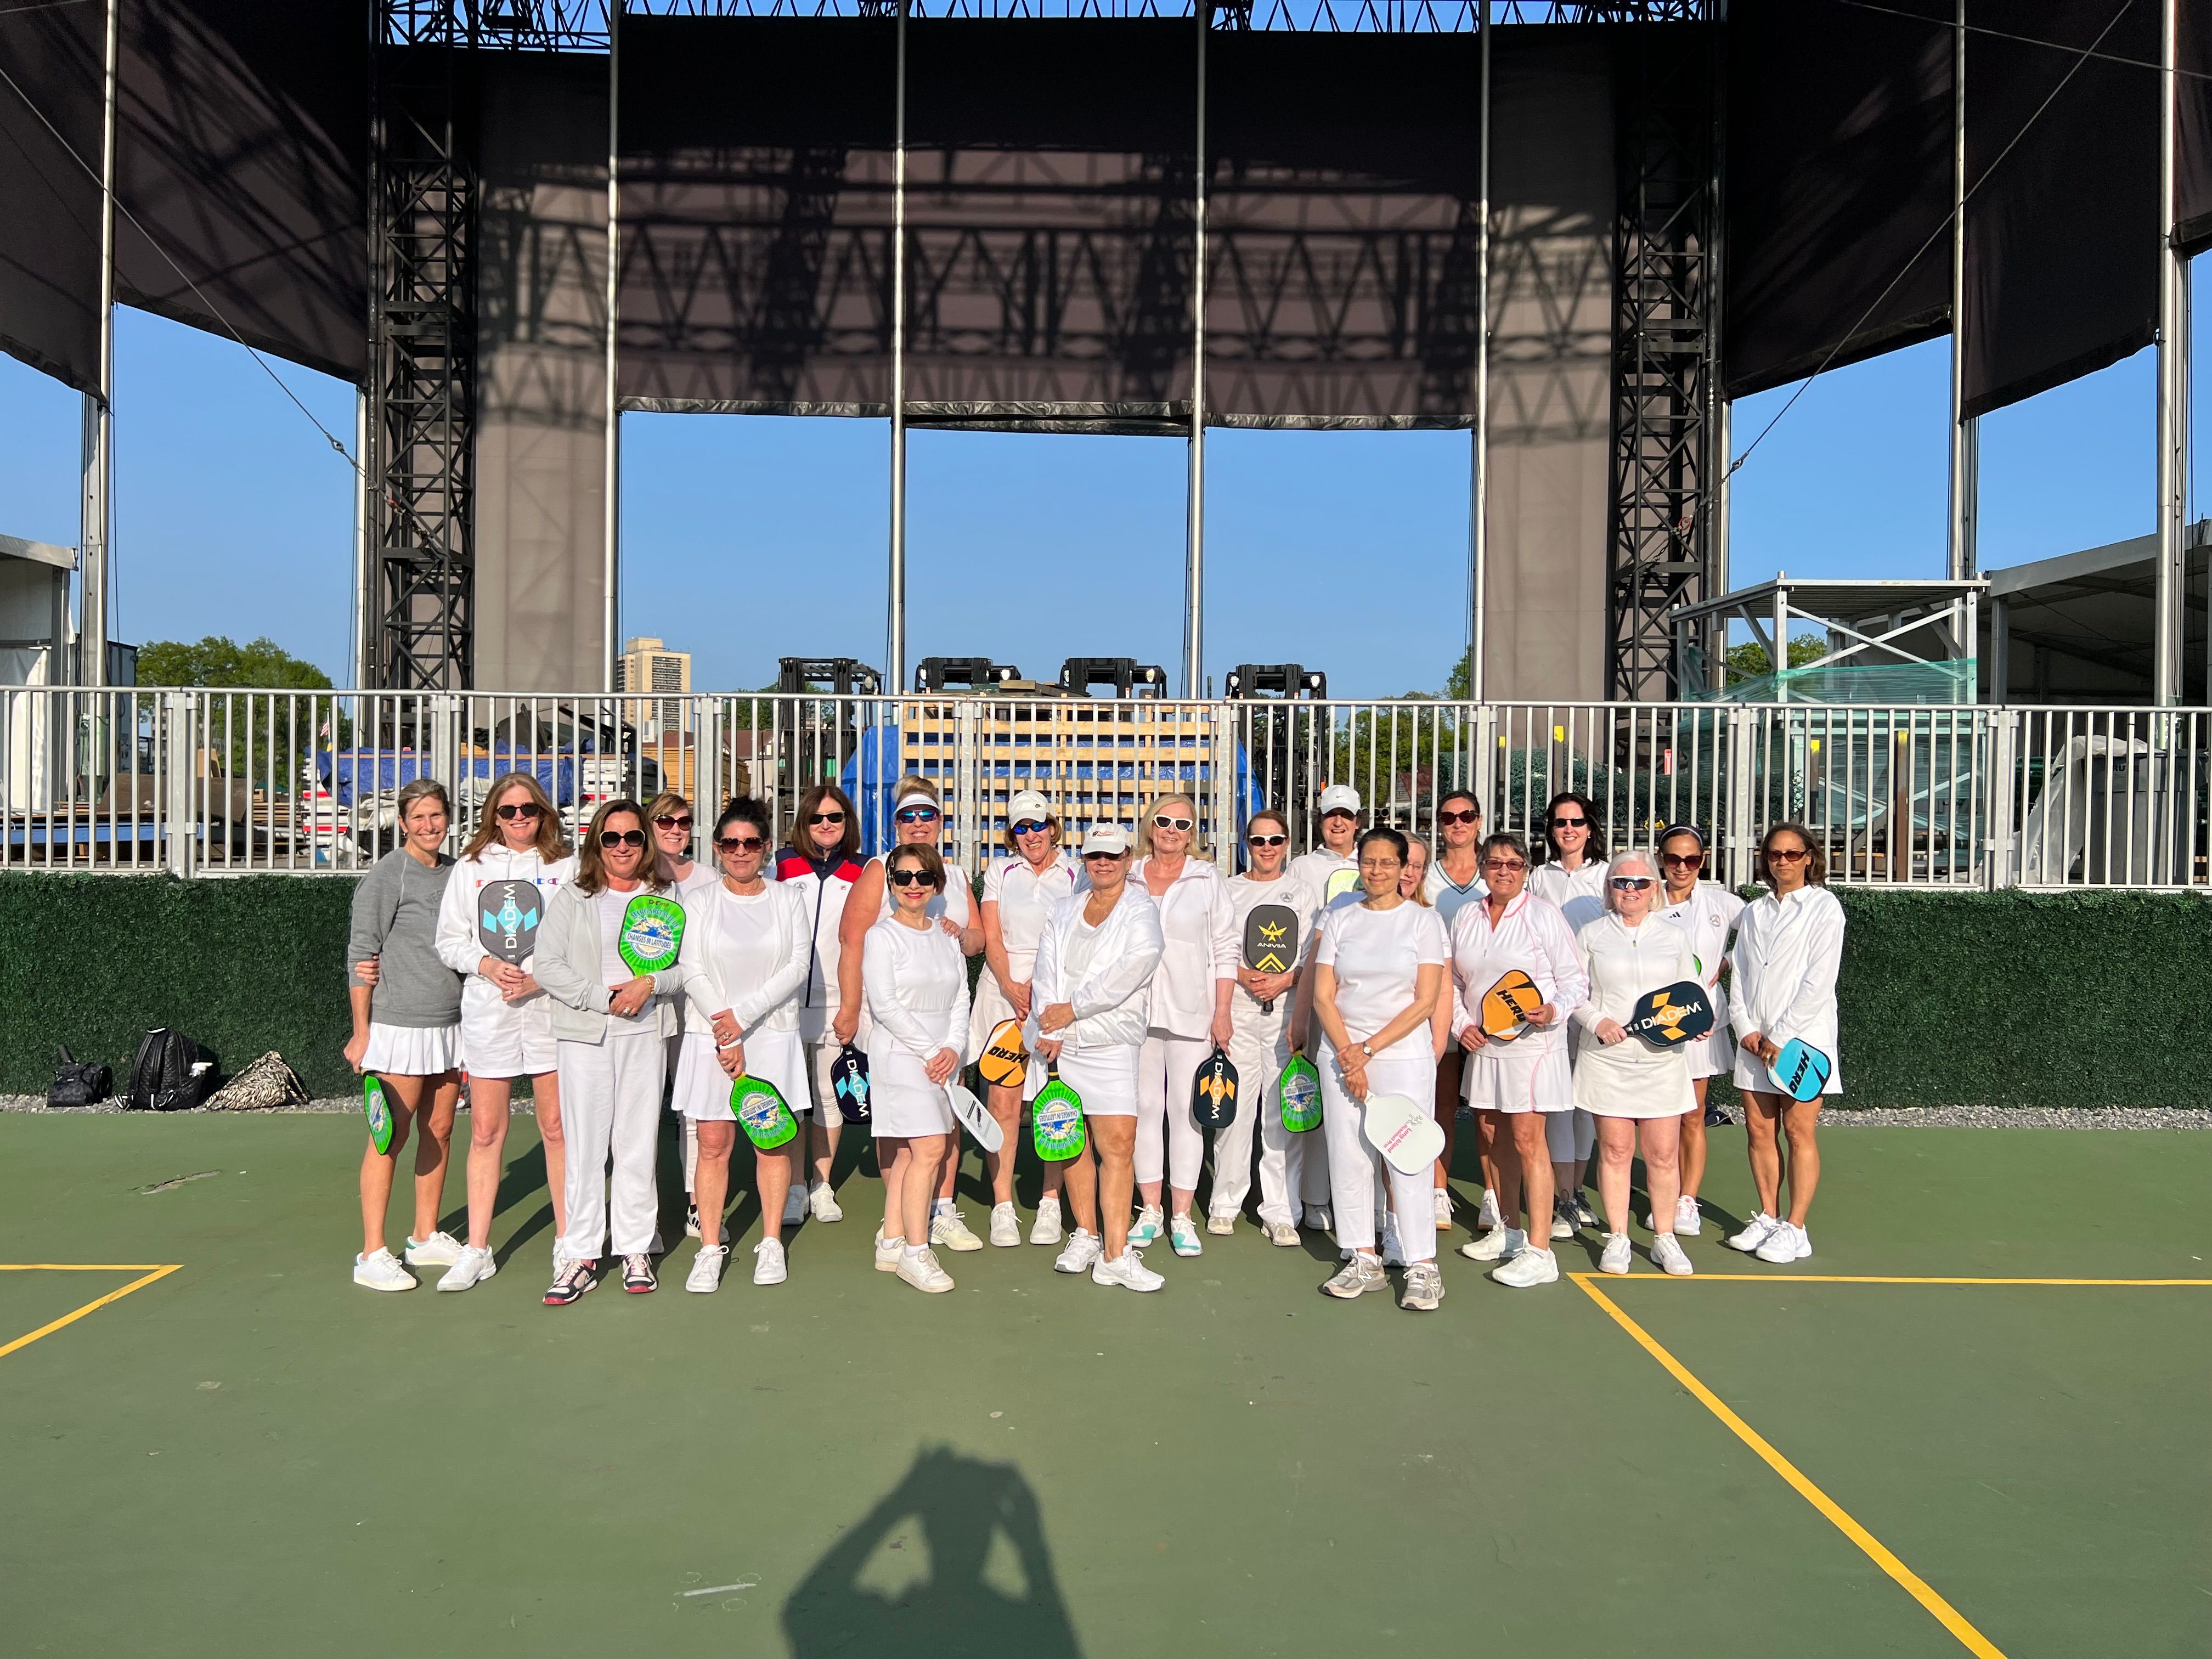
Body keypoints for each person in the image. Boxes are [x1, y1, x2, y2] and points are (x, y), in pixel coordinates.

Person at [533, 799, 685, 1304]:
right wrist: (604, 999)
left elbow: (689, 966)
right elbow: (547, 965)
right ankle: (579, 1254)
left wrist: (651, 984)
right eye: (611, 838)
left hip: (644, 1034)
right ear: (597, 843)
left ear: (645, 842)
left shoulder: (666, 896)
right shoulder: (574, 897)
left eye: (633, 838)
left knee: (638, 1144)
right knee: (584, 1148)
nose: (622, 847)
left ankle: (635, 1248)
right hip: (585, 1036)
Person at [430, 769, 575, 1291]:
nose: (519, 819)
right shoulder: (471, 868)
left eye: (529, 810)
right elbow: (450, 940)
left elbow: (581, 940)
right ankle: (477, 1249)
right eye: (509, 811)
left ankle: (569, 1243)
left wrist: (539, 978)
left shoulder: (568, 864)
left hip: (549, 1012)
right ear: (494, 815)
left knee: (557, 1128)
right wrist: (487, 967)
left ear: (543, 813)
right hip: (489, 1012)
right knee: (488, 1132)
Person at [837, 776, 985, 1252]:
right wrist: (850, 1006)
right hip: (898, 1027)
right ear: (896, 824)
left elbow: (975, 944)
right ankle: (901, 1225)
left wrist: (956, 935)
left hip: (943, 1021)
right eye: (908, 816)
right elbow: (853, 939)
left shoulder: (957, 875)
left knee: (942, 1124)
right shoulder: (881, 869)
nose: (918, 824)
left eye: (927, 815)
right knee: (905, 1134)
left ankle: (937, 1210)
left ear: (941, 821)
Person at [673, 797, 812, 1293]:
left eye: (751, 843)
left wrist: (741, 1020)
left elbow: (796, 967)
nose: (741, 851)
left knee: (771, 1141)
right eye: (730, 843)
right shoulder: (699, 903)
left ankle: (771, 1242)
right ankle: (710, 1248)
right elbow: (691, 969)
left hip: (770, 1035)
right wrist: (723, 1027)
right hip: (709, 1034)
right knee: (712, 1144)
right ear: (716, 848)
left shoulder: (787, 898)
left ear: (767, 848)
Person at [1309, 827, 1451, 1311]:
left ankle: (1422, 1266)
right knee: (1349, 1157)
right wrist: (1348, 1052)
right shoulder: (1341, 917)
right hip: (1341, 1054)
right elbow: (1323, 996)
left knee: (1407, 1158)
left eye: (1388, 863)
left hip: (1400, 1057)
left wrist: (1367, 1051)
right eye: (1368, 862)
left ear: (1404, 867)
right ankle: (1363, 1258)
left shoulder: (1424, 923)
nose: (1377, 871)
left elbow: (1425, 1001)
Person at [1027, 824, 1167, 1291]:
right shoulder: (1063, 908)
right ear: (1083, 860)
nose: (1103, 863)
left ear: (1128, 859)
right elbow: (1045, 970)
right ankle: (1085, 1233)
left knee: (1118, 1145)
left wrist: (1073, 1009)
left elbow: (1137, 965)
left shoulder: (1140, 908)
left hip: (1111, 1041)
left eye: (1112, 855)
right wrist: (1055, 1025)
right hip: (1062, 1042)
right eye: (1094, 856)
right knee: (1073, 1141)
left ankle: (1115, 1252)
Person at [1445, 832, 1585, 1289]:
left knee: (1528, 1140)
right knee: (1490, 1132)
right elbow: (1452, 982)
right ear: (1482, 867)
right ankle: (1510, 1231)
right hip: (1484, 1043)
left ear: (1526, 870)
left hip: (1533, 1045)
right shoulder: (1466, 915)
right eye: (1495, 863)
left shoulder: (1544, 916)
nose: (1504, 871)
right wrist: (1461, 1024)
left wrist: (1552, 1010)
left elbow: (1574, 983)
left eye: (1514, 864)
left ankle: (1541, 1253)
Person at [343, 778, 463, 1291]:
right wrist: (360, 1032)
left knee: (439, 1131)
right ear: (402, 821)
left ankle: (424, 1235)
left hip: (452, 1025)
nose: (428, 826)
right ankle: (371, 1253)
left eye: (436, 815)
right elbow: (360, 954)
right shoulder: (389, 874)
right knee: (389, 1137)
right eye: (418, 817)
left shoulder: (459, 874)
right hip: (399, 1027)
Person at [1724, 822, 1845, 1265]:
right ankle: (1770, 1219)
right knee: (1759, 1131)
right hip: (1754, 1041)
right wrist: (1747, 1028)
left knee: (1798, 1132)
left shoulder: (1825, 907)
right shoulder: (1754, 913)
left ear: (1809, 858)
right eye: (1775, 854)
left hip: (1804, 1042)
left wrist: (1781, 1036)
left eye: (1793, 855)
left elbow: (1819, 980)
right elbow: (1740, 974)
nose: (1783, 862)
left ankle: (1796, 1228)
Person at [1572, 849, 1697, 1277]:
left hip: (1663, 1061)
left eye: (1640, 883)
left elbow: (1689, 991)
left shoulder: (1674, 937)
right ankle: (1619, 1238)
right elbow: (1573, 992)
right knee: (1615, 1149)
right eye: (1621, 883)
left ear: (1654, 890)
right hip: (1607, 1059)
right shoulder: (1591, 934)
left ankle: (1665, 1239)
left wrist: (1695, 1023)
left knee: (1663, 1154)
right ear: (1609, 889)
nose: (1630, 890)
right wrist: (1597, 1020)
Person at [1127, 792, 1237, 1256]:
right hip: (1132, 1011)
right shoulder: (1126, 872)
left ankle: (1181, 1215)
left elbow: (1225, 946)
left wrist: (1223, 1011)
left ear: (1194, 833)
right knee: (1143, 1109)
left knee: (1189, 1113)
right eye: (1165, 821)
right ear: (1151, 824)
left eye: (1184, 824)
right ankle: (1150, 1209)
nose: (1173, 831)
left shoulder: (1207, 877)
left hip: (1193, 1012)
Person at [862, 843, 973, 1295]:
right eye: (903, 877)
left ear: (936, 885)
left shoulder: (947, 936)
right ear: (891, 884)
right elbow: (884, 1004)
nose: (913, 885)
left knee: (911, 1154)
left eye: (923, 877)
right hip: (900, 1056)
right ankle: (915, 1251)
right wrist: (932, 1051)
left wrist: (953, 1047)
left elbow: (961, 996)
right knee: (930, 1150)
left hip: (939, 1057)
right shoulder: (881, 936)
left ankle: (891, 1241)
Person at [974, 791, 1080, 1245]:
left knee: (1051, 1103)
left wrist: (1045, 993)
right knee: (1004, 1103)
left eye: (1037, 825)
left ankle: (1051, 1202)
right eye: (1021, 828)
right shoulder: (999, 870)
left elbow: (1077, 936)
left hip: (1055, 996)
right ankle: (1002, 1206)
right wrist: (1012, 986)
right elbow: (992, 934)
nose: (1031, 835)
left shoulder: (1077, 871)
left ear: (1052, 827)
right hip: (1004, 995)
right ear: (1011, 835)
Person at [1223, 809, 1329, 1246]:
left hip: (1287, 1015)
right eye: (1258, 841)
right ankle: (1225, 1205)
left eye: (1275, 840)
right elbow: (1219, 947)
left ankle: (1282, 1211)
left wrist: (1287, 979)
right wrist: (1244, 976)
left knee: (1283, 1114)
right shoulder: (1227, 890)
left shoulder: (1303, 894)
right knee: (1235, 1113)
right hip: (1239, 1012)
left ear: (1287, 845)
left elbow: (1313, 956)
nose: (1267, 849)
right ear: (1246, 844)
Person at [772, 782, 866, 1224]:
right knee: (790, 1096)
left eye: (835, 817)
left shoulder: (865, 870)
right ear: (803, 823)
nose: (826, 825)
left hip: (836, 1004)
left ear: (847, 823)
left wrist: (853, 1005)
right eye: (817, 818)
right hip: (785, 1003)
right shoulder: (781, 865)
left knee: (829, 1095)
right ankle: (793, 1187)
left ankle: (821, 1185)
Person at [1654, 822, 1745, 1237]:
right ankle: (1662, 1192)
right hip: (1652, 1024)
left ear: (1703, 861)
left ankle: (1686, 1200)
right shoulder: (1644, 897)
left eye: (1691, 859)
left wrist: (1727, 960)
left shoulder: (1722, 903)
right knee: (1657, 1116)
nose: (1682, 866)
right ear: (1661, 859)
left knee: (1692, 1116)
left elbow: (1760, 937)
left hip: (1700, 1027)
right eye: (1674, 858)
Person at [1528, 789, 1607, 1238]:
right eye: (1561, 823)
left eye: (1577, 822)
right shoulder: (1539, 877)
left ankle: (1577, 1192)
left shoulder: (1609, 876)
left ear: (1590, 827)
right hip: (1554, 1007)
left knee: (1585, 1104)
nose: (1569, 830)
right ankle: (1562, 1199)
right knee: (1559, 1103)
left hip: (1597, 1005)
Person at [647, 791, 721, 1242]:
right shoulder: (632, 875)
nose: (676, 829)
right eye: (665, 821)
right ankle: (644, 1217)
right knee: (640, 1114)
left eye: (684, 821)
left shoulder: (710, 878)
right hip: (645, 1013)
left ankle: (697, 1206)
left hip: (695, 1013)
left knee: (695, 1114)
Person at [1422, 789, 1490, 1234]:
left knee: (1488, 1107)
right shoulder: (1427, 877)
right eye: (1449, 817)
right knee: (1442, 1100)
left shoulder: (1497, 872)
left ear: (1479, 821)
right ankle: (1439, 1192)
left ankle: (1492, 1194)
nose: (1458, 823)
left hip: (1488, 1006)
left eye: (1466, 816)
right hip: (1441, 1003)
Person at [1288, 782, 1363, 906]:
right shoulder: (1300, 868)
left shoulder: (1373, 866)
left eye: (1346, 815)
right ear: (1320, 821)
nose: (1338, 822)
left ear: (1358, 823)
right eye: (1331, 814)